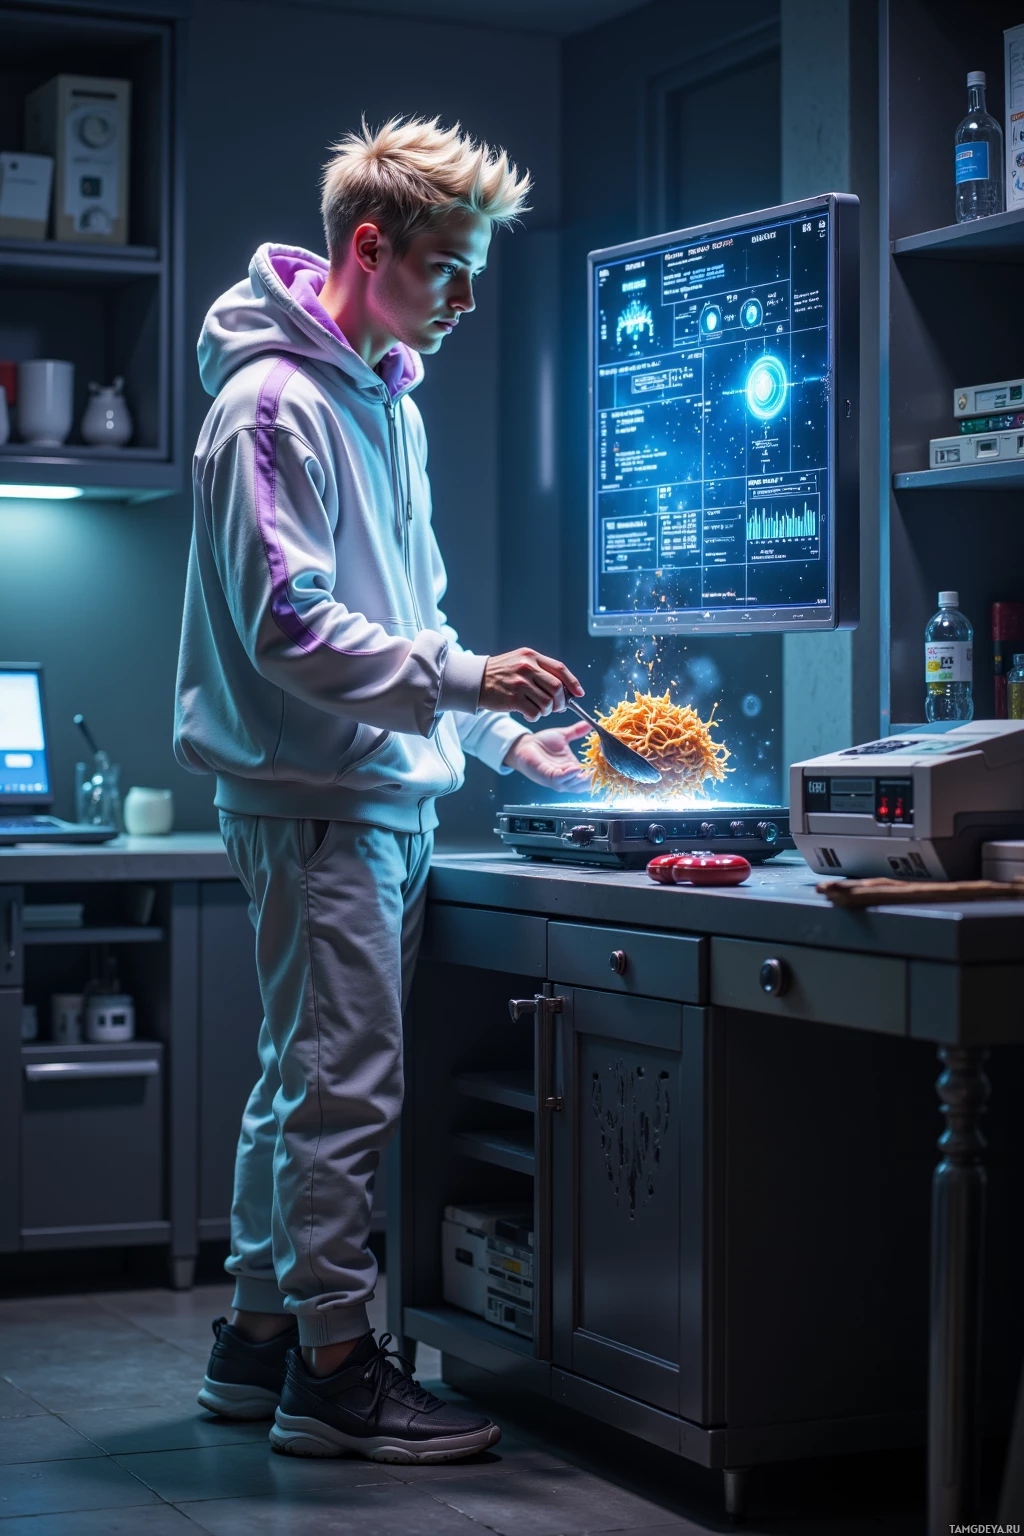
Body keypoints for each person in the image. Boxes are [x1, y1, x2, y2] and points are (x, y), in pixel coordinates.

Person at [173, 116, 588, 1463]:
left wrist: (500, 741)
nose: (464, 298)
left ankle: (262, 1339)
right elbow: (288, 629)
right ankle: (339, 1372)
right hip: (319, 803)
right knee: (342, 1090)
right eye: (449, 267)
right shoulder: (272, 407)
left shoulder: (384, 402)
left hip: (366, 793)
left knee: (300, 1079)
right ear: (372, 246)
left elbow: (406, 616)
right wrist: (468, 682)